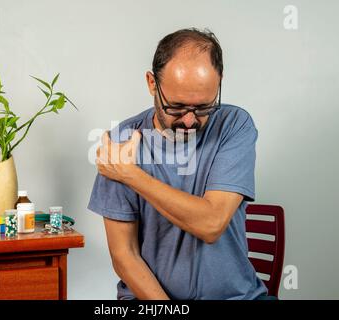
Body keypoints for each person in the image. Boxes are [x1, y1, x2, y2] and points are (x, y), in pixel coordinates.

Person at [88, 28, 269, 300]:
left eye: (204, 107)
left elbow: (211, 223)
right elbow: (124, 255)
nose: (189, 120)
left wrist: (131, 175)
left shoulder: (235, 125)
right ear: (152, 83)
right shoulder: (121, 144)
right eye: (177, 107)